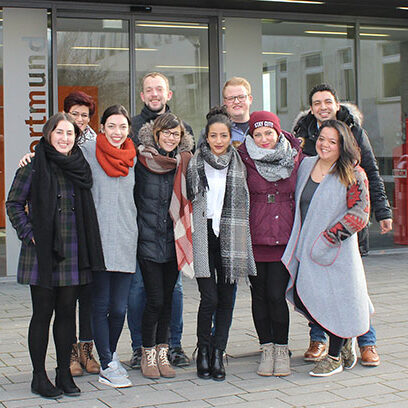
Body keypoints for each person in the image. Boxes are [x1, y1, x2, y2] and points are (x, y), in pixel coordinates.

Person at [6, 113, 105, 398]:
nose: (64, 138)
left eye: (70, 134)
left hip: (74, 249)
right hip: (43, 252)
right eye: (59, 132)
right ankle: (39, 377)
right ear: (49, 134)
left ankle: (64, 373)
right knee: (42, 314)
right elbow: (13, 204)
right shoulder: (34, 166)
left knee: (66, 314)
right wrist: (30, 234)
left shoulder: (79, 165)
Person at [292, 83, 392, 366]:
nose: (322, 106)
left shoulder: (354, 133)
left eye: (327, 101)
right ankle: (320, 339)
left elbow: (370, 173)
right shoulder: (303, 135)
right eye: (316, 103)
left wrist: (383, 211)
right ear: (311, 108)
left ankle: (366, 341)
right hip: (312, 229)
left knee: (352, 288)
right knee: (317, 285)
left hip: (342, 233)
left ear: (337, 104)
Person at [283, 119, 373, 377]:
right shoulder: (306, 164)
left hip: (337, 252)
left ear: (342, 145)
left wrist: (329, 238)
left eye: (332, 141)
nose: (325, 145)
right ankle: (344, 341)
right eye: (322, 139)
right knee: (305, 296)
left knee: (337, 300)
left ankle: (335, 355)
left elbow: (360, 214)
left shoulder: (352, 172)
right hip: (306, 247)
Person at [128, 72, 192, 369]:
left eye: (159, 89)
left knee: (172, 293)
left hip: (173, 235)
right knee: (143, 292)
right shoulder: (132, 130)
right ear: (143, 95)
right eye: (149, 90)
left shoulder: (184, 135)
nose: (154, 94)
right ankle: (141, 348)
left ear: (169, 94)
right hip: (145, 234)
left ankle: (172, 347)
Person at [187, 106, 256, 381]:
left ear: (230, 137)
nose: (218, 141)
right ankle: (203, 349)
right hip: (203, 234)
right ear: (206, 136)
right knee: (209, 298)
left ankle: (218, 353)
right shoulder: (194, 162)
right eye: (213, 135)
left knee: (226, 300)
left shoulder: (239, 163)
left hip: (230, 234)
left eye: (223, 136)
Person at [237, 111, 302, 377]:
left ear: (278, 133)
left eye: (269, 132)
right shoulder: (242, 158)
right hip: (254, 238)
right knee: (259, 296)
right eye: (258, 134)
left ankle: (281, 348)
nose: (264, 139)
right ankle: (266, 347)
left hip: (284, 238)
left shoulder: (297, 158)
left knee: (276, 295)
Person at [79, 105, 138, 389]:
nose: (117, 132)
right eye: (111, 126)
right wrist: (32, 157)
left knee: (119, 308)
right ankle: (107, 363)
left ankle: (109, 356)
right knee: (100, 304)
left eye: (122, 127)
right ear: (101, 127)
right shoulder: (88, 151)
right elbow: (58, 158)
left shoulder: (134, 157)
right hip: (99, 240)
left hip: (126, 237)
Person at [63, 91, 99, 377]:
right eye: (75, 113)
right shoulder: (58, 142)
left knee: (89, 294)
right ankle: (70, 353)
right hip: (67, 230)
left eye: (85, 115)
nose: (80, 120)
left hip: (91, 227)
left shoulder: (98, 144)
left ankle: (87, 351)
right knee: (67, 297)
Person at [222, 77, 253, 145]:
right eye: (230, 98)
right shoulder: (214, 132)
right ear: (225, 102)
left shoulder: (262, 128)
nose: (236, 101)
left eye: (241, 97)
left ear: (250, 99)